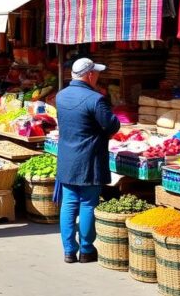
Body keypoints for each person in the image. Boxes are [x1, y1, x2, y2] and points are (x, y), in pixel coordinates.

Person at [56, 58, 121, 264]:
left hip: (67, 158)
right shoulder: (96, 99)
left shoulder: (61, 96)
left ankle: (68, 250)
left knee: (68, 203)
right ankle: (86, 250)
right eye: (97, 73)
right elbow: (111, 125)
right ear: (90, 75)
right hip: (89, 159)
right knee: (87, 204)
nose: (98, 76)